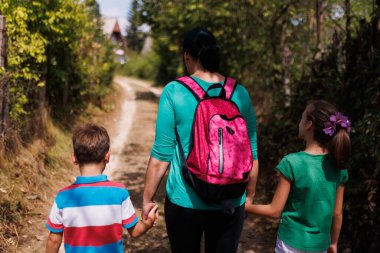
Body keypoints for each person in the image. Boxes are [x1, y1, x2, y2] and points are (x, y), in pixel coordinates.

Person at [142, 27, 259, 253]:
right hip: (231, 199)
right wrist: (249, 196)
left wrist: (147, 199)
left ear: (187, 55)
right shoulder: (240, 93)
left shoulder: (174, 91)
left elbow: (161, 155)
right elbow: (252, 153)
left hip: (185, 201)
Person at [246, 100, 350, 253]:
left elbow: (274, 211)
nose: (299, 122)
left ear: (309, 124)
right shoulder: (338, 166)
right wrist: (333, 243)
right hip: (320, 245)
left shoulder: (291, 163)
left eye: (302, 117)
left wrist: (244, 207)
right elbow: (337, 213)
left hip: (290, 244)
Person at [45, 124, 159, 253]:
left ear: (74, 158)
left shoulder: (63, 197)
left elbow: (54, 240)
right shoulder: (119, 192)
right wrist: (149, 221)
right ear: (107, 156)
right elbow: (135, 231)